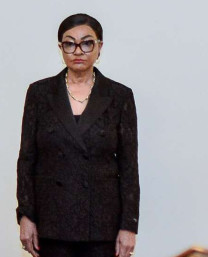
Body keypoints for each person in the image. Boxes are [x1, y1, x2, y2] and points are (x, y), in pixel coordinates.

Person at [16, 14, 139, 257]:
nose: (78, 50)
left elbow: (128, 167)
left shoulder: (119, 96)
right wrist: (26, 216)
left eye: (87, 43)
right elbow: (27, 160)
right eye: (70, 43)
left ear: (99, 47)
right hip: (52, 221)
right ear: (61, 48)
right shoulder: (40, 93)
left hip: (103, 224)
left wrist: (129, 226)